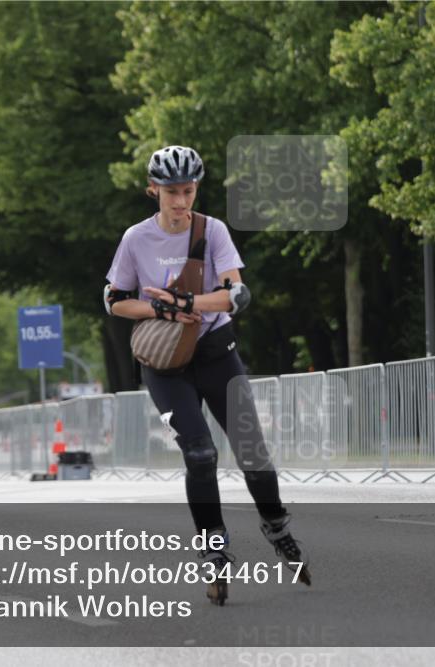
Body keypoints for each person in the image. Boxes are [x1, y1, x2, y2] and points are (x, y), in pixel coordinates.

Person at [103, 145, 310, 604]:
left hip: (217, 352)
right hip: (166, 364)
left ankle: (276, 527)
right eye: (171, 192)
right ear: (152, 190)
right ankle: (214, 552)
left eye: (188, 191)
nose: (180, 201)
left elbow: (236, 295)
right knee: (199, 454)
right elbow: (115, 300)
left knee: (251, 448)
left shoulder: (211, 230)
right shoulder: (135, 239)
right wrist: (158, 307)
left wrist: (185, 304)